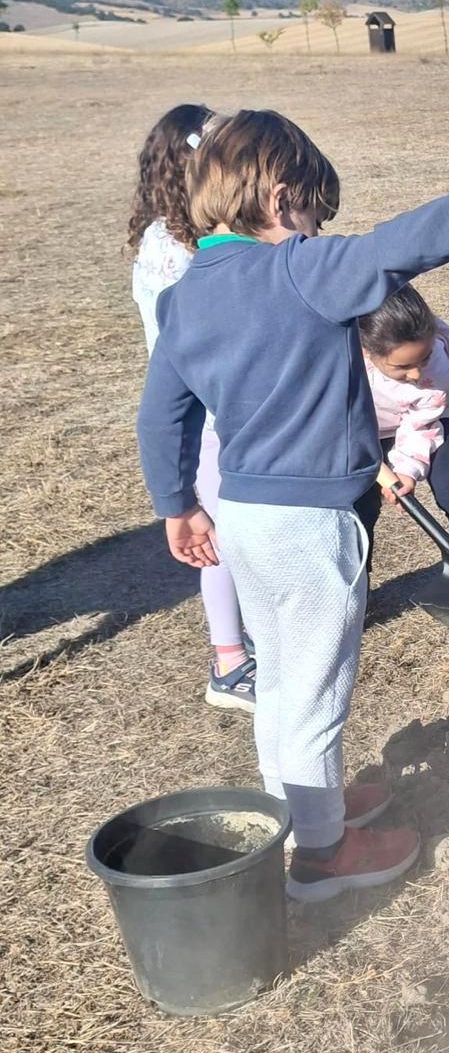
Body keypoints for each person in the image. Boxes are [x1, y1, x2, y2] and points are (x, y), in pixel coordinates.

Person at [137, 109, 449, 902]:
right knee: (318, 689)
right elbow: (408, 241)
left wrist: (176, 504)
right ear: (282, 201)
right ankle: (322, 855)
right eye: (317, 216)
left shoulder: (184, 297)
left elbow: (162, 414)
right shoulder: (298, 269)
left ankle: (293, 806)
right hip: (313, 523)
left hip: (244, 518)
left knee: (281, 675)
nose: (322, 231)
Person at [129, 103, 256, 713]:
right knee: (221, 539)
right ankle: (228, 662)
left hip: (205, 407)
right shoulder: (182, 251)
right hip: (208, 414)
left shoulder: (161, 238)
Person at [356, 285, 449, 567]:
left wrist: (406, 472)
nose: (416, 374)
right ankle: (359, 591)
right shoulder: (341, 361)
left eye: (423, 358)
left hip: (426, 420)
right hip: (361, 431)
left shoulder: (438, 371)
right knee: (362, 507)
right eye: (402, 367)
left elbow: (420, 425)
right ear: (367, 351)